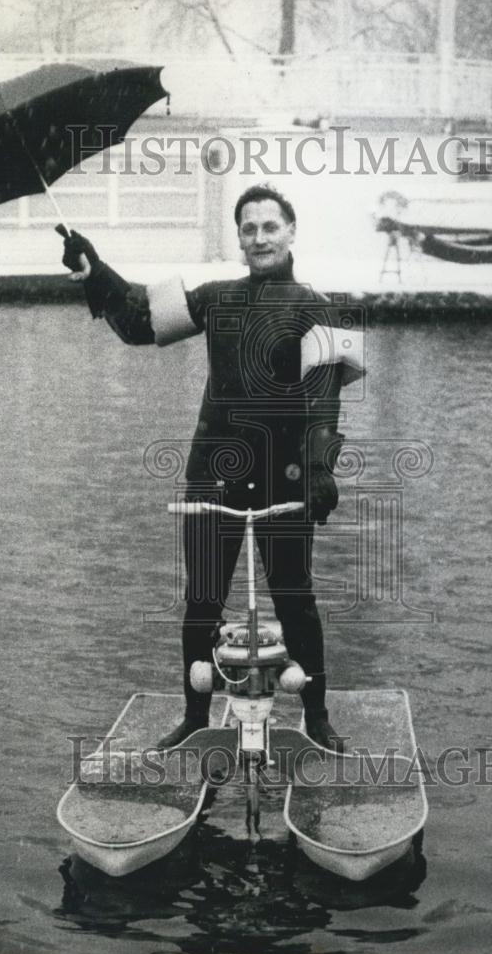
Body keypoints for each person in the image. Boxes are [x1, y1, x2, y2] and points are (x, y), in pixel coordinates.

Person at [61, 184, 364, 752]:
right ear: (240, 240)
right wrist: (95, 267)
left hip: (286, 475)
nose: (259, 238)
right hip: (213, 474)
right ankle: (195, 716)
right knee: (202, 599)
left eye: (269, 226)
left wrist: (321, 467)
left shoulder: (320, 306)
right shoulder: (217, 297)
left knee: (295, 597)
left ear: (291, 232)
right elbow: (139, 322)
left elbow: (326, 397)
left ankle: (317, 716)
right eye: (248, 229)